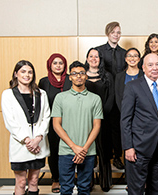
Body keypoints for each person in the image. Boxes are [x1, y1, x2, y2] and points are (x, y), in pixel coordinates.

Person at [121, 53, 158, 195]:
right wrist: (128, 147)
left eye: (157, 64)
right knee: (136, 189)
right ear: (143, 67)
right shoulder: (132, 87)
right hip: (138, 148)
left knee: (156, 189)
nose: (154, 68)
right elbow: (125, 119)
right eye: (150, 65)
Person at [52, 61, 103, 195]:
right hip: (66, 150)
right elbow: (56, 125)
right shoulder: (60, 98)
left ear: (86, 76)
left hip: (88, 151)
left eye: (81, 73)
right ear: (70, 77)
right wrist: (74, 147)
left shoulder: (95, 99)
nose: (78, 76)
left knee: (85, 188)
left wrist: (84, 149)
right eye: (74, 74)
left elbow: (97, 126)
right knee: (66, 188)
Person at [1, 60, 50, 195]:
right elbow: (10, 121)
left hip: (38, 144)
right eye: (23, 71)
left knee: (34, 181)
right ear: (16, 74)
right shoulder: (8, 94)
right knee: (21, 182)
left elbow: (46, 117)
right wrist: (28, 140)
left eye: (30, 72)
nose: (27, 75)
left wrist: (38, 138)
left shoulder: (41, 93)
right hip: (21, 144)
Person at [38, 53, 72, 193]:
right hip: (53, 123)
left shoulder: (70, 79)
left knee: (70, 149)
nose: (58, 65)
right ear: (50, 65)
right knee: (54, 151)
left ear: (65, 65)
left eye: (61, 63)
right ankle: (56, 179)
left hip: (70, 121)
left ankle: (69, 179)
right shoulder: (44, 82)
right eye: (55, 63)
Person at [96, 21, 126, 169]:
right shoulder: (98, 51)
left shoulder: (124, 53)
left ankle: (117, 156)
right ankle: (100, 156)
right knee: (101, 126)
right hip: (103, 93)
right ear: (108, 33)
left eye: (118, 32)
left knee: (117, 127)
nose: (116, 35)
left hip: (119, 94)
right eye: (113, 32)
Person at [85, 47, 114, 191]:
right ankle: (88, 182)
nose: (94, 59)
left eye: (97, 57)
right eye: (91, 56)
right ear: (87, 59)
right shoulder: (81, 75)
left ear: (100, 59)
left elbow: (111, 98)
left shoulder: (107, 76)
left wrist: (101, 116)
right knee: (88, 150)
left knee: (103, 150)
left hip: (103, 118)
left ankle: (105, 182)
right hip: (85, 120)